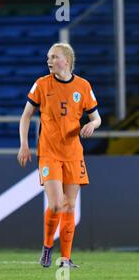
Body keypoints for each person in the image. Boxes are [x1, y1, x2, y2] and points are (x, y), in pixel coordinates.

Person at [17, 43, 101, 268]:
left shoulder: (83, 86)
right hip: (49, 153)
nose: (49, 61)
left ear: (67, 60)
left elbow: (97, 117)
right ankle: (47, 247)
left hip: (73, 154)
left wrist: (92, 124)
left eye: (54, 57)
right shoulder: (42, 84)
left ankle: (65, 258)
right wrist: (24, 145)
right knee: (56, 205)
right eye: (48, 57)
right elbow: (26, 116)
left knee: (70, 206)